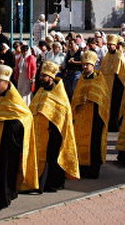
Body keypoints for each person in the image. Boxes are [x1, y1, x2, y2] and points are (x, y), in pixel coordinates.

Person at [0, 65, 39, 210]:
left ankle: (3, 200)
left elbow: (25, 117)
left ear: (6, 82)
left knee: (5, 173)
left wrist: (9, 128)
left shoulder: (14, 98)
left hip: (8, 145)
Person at [29, 61, 80, 192]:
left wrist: (53, 129)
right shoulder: (40, 92)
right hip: (38, 132)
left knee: (52, 159)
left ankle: (53, 183)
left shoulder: (59, 94)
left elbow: (63, 116)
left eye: (43, 76)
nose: (41, 79)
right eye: (40, 76)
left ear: (51, 78)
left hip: (53, 134)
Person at [72, 51, 110, 178]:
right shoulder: (81, 80)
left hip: (95, 117)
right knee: (80, 143)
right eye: (83, 65)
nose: (84, 67)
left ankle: (93, 171)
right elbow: (75, 97)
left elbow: (103, 98)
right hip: (81, 117)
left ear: (93, 65)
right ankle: (82, 168)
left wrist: (90, 99)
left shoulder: (99, 80)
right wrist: (78, 101)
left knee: (93, 144)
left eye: (87, 65)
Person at [100, 34, 125, 132]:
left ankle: (116, 125)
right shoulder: (107, 56)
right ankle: (108, 124)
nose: (109, 47)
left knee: (116, 106)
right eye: (108, 45)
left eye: (111, 45)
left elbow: (123, 72)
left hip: (117, 85)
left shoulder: (119, 55)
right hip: (107, 85)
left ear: (115, 45)